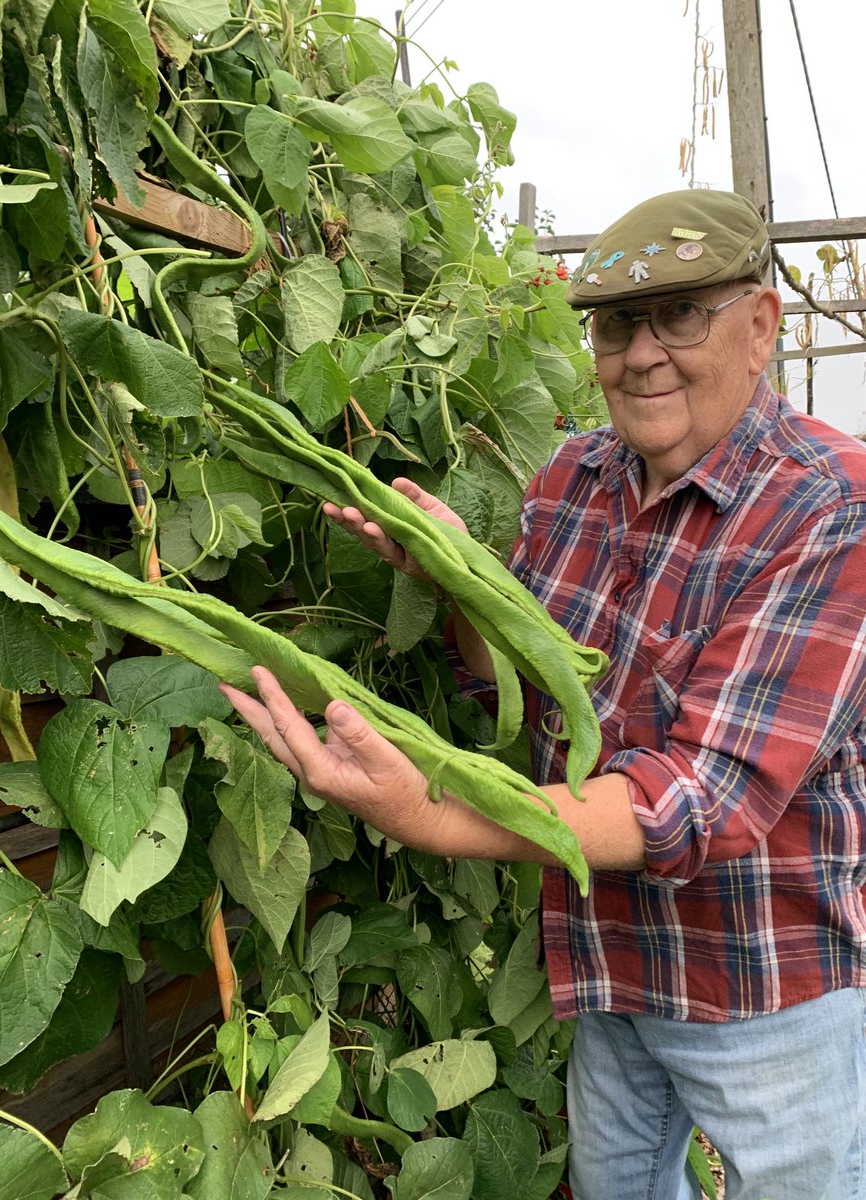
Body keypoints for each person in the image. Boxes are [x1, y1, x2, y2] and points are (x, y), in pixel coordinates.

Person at [221, 189, 866, 1200]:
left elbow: (705, 796)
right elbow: (517, 685)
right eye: (616, 324)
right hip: (610, 971)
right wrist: (457, 581)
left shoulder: (831, 504)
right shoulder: (572, 475)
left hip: (763, 987)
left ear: (760, 325)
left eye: (679, 316)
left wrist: (434, 812)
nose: (641, 353)